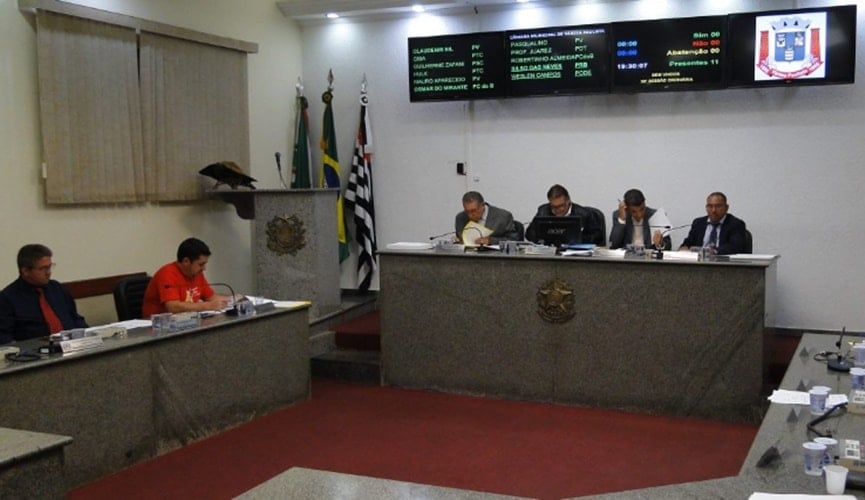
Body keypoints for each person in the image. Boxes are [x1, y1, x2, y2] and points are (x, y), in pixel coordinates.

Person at [0, 244, 87, 344]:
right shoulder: (7, 298)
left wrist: (88, 336)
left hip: (72, 347)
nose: (48, 272)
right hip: (37, 354)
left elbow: (75, 318)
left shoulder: (57, 288)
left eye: (50, 267)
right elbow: (4, 337)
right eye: (42, 269)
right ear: (25, 271)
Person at [141, 237, 234, 318]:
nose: (204, 269)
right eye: (201, 264)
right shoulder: (167, 273)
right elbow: (173, 307)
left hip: (187, 322)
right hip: (158, 328)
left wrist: (234, 299)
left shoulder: (196, 273)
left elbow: (211, 298)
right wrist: (207, 306)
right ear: (186, 261)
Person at [525, 184, 606, 246]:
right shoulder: (543, 211)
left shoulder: (584, 214)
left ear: (568, 201)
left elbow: (598, 237)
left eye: (561, 206)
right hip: (550, 254)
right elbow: (529, 235)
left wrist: (577, 239)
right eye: (554, 207)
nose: (558, 210)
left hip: (577, 257)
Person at [679, 192, 748, 255]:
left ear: (726, 208)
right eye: (710, 206)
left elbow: (735, 247)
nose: (713, 210)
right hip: (699, 264)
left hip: (723, 264)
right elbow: (688, 243)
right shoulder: (698, 223)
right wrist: (684, 248)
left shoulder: (736, 224)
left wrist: (714, 251)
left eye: (718, 206)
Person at [454, 191, 521, 246]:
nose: (470, 215)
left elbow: (513, 240)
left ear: (482, 205)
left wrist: (491, 240)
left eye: (473, 211)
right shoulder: (460, 218)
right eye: (467, 211)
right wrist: (457, 241)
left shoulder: (503, 216)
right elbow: (460, 238)